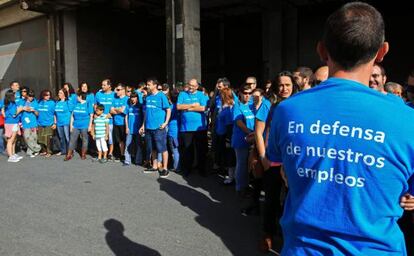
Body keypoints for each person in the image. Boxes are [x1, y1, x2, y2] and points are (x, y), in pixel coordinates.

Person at [267, 2, 414, 255]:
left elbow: (280, 166)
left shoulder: (287, 110)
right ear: (382, 52)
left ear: (322, 51)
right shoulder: (407, 120)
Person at [139, 78, 171, 178]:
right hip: (148, 127)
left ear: (155, 85)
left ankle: (165, 168)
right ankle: (155, 166)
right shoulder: (148, 97)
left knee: (162, 148)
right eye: (147, 85)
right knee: (152, 148)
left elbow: (168, 109)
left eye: (149, 85)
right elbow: (146, 113)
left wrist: (165, 123)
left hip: (159, 128)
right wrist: (143, 125)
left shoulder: (162, 96)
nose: (147, 86)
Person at [177, 78, 209, 176]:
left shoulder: (201, 95)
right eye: (190, 85)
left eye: (193, 86)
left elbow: (203, 108)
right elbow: (178, 107)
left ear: (197, 86)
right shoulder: (182, 94)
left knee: (201, 150)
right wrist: (193, 105)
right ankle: (187, 169)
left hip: (200, 128)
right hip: (186, 128)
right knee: (187, 150)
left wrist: (188, 109)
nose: (191, 87)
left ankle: (201, 169)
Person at [232, 84, 255, 193]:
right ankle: (240, 188)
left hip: (253, 139)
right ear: (240, 93)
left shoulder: (252, 105)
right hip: (241, 140)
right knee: (241, 164)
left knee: (249, 164)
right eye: (245, 93)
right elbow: (239, 123)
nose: (247, 96)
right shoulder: (237, 105)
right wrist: (252, 133)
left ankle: (247, 185)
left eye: (250, 93)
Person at [215, 87, 236, 184]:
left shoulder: (229, 108)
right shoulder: (224, 106)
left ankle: (230, 176)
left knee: (229, 156)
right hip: (221, 133)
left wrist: (228, 140)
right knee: (226, 155)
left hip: (225, 135)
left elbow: (229, 126)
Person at [64, 92, 93, 161]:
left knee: (85, 140)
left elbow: (91, 115)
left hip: (84, 125)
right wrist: (71, 126)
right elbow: (72, 116)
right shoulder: (76, 104)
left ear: (80, 96)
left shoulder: (88, 104)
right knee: (72, 140)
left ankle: (83, 154)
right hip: (76, 125)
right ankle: (69, 154)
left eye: (77, 96)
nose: (76, 98)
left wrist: (90, 126)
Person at [95, 79, 116, 160]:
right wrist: (96, 113)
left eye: (104, 85)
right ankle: (101, 154)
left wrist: (111, 114)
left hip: (109, 120)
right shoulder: (98, 94)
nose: (102, 86)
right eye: (102, 85)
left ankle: (110, 153)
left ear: (109, 86)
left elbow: (116, 105)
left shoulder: (114, 95)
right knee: (100, 138)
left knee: (109, 137)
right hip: (99, 120)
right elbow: (95, 105)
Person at [1, 89, 23, 162]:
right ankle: (10, 156)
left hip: (14, 122)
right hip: (11, 123)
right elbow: (14, 114)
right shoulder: (10, 104)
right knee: (10, 140)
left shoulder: (12, 103)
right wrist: (20, 109)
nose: (16, 96)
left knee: (14, 139)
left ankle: (13, 154)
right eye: (14, 95)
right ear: (11, 96)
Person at [124, 91, 143, 166]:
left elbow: (144, 116)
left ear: (137, 98)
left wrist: (142, 127)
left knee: (138, 145)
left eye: (135, 97)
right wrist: (126, 127)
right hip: (130, 129)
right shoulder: (128, 106)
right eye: (132, 97)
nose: (133, 99)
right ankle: (127, 161)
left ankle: (138, 161)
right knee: (128, 144)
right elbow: (126, 117)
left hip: (138, 129)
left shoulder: (140, 106)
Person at [21, 89, 41, 157]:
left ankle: (30, 152)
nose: (31, 97)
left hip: (33, 122)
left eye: (32, 96)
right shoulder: (23, 102)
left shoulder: (35, 103)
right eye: (30, 96)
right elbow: (18, 110)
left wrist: (33, 110)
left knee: (33, 137)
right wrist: (23, 108)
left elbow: (38, 114)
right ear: (27, 96)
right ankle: (37, 148)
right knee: (27, 137)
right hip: (25, 123)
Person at [111, 83, 128, 162]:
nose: (116, 91)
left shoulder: (126, 99)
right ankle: (122, 155)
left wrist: (116, 109)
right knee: (119, 140)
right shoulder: (115, 99)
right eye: (116, 90)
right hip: (116, 122)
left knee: (125, 140)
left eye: (118, 90)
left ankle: (127, 155)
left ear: (123, 90)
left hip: (124, 123)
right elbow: (111, 111)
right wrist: (119, 109)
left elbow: (123, 110)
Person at [37, 89, 56, 157]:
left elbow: (54, 114)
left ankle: (49, 152)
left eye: (49, 95)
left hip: (49, 123)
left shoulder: (52, 103)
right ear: (43, 95)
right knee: (40, 138)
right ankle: (44, 150)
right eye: (47, 95)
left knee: (48, 138)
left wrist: (54, 123)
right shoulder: (39, 102)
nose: (48, 96)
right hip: (40, 123)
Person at [167, 87, 180, 172]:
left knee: (174, 150)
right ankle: (178, 166)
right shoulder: (180, 107)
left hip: (172, 131)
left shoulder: (171, 107)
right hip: (179, 130)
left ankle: (176, 167)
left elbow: (168, 118)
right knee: (178, 149)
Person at [55, 89, 72, 155]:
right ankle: (63, 151)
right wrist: (55, 122)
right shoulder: (57, 102)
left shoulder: (68, 102)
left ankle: (70, 151)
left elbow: (71, 113)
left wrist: (71, 123)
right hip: (59, 123)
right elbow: (55, 114)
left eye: (60, 93)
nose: (59, 94)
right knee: (61, 138)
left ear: (64, 94)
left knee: (67, 138)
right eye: (59, 93)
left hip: (66, 122)